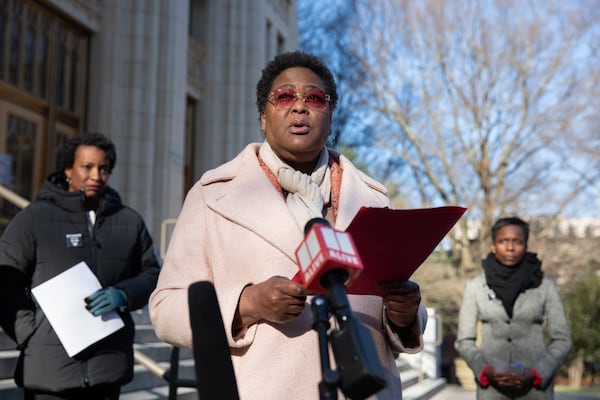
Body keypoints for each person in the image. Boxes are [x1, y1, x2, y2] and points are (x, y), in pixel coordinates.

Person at [149, 50, 427, 399]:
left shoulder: (373, 198)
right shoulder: (212, 196)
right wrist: (248, 303)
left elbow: (399, 299)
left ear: (330, 117)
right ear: (263, 118)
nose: (299, 107)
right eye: (284, 97)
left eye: (314, 98)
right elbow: (165, 309)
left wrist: (406, 314)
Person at [0, 132, 160, 400]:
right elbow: (4, 279)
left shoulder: (129, 221)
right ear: (68, 170)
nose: (96, 176)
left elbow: (152, 274)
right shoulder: (35, 217)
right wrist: (29, 329)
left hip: (108, 368)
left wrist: (124, 294)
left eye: (104, 168)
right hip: (49, 372)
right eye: (87, 167)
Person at [455, 216, 572, 399]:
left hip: (535, 390)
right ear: (493, 246)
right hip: (492, 390)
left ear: (525, 245)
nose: (510, 247)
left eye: (517, 241)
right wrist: (484, 370)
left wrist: (536, 372)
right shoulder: (476, 286)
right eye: (503, 241)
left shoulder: (544, 286)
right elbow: (463, 341)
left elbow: (563, 339)